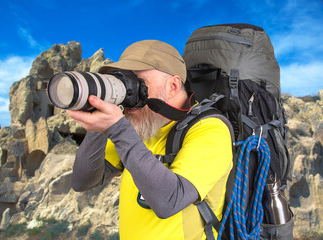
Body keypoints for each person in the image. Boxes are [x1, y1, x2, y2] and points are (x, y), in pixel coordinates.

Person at [67, 40, 232, 240]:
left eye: (138, 82)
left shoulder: (210, 129)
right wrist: (97, 125)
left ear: (173, 86)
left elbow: (169, 200)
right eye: (124, 81)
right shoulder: (139, 125)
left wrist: (117, 129)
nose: (129, 92)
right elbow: (83, 180)